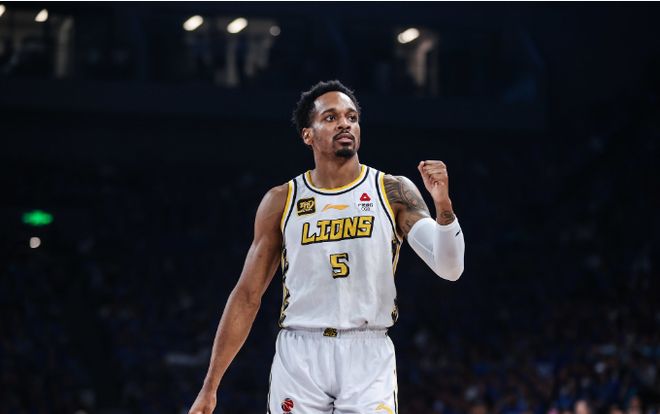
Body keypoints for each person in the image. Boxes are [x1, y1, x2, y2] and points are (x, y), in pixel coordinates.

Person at [189, 80, 465, 414]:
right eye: (331, 117)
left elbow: (450, 268)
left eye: (351, 117)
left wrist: (443, 205)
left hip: (368, 350)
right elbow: (247, 295)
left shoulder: (392, 191)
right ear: (308, 134)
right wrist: (210, 386)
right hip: (300, 352)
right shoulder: (282, 201)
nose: (345, 124)